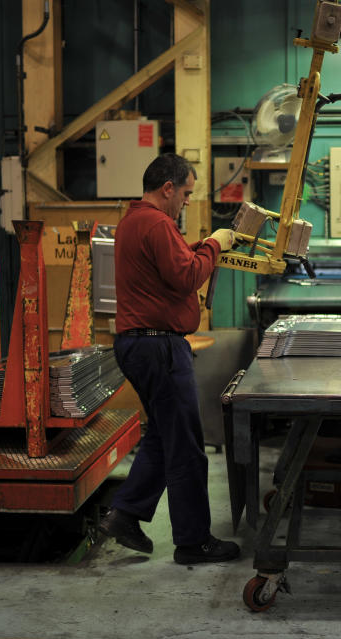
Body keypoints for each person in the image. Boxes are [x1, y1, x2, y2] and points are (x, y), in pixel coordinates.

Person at [98, 152, 241, 565]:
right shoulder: (157, 222)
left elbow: (172, 262)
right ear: (167, 189)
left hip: (138, 345)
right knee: (186, 446)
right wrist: (215, 243)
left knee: (164, 436)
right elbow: (185, 275)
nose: (186, 202)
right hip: (158, 347)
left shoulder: (133, 221)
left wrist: (203, 245)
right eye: (186, 194)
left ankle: (125, 514)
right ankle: (193, 542)